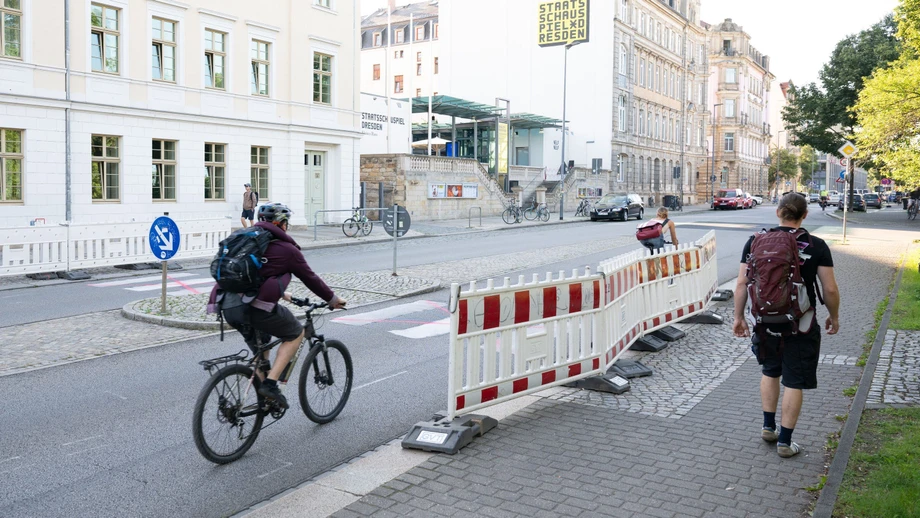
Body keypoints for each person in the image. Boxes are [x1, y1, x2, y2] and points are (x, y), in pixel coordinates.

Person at [732, 193, 840, 458]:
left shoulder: (755, 241)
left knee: (770, 371)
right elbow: (830, 289)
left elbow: (741, 284)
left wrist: (738, 318)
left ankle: (768, 427)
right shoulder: (816, 245)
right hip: (801, 323)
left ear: (778, 212)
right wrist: (834, 316)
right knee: (794, 381)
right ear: (805, 215)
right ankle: (786, 442)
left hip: (765, 321)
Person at [209, 202, 347, 408]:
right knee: (294, 333)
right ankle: (271, 385)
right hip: (253, 308)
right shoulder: (286, 249)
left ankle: (263, 400)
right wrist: (333, 300)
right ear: (281, 224)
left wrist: (282, 293)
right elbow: (311, 278)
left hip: (227, 305)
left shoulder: (245, 240)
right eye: (286, 222)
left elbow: (257, 275)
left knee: (262, 347)